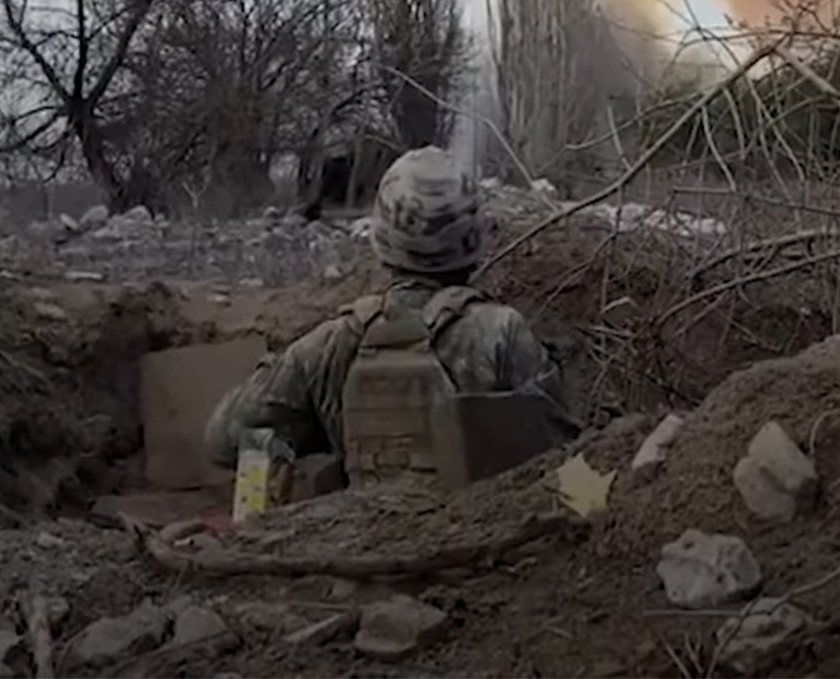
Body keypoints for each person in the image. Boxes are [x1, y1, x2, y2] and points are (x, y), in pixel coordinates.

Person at [204, 146, 578, 481]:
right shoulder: (502, 336)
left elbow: (223, 439)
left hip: (366, 549)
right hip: (480, 552)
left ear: (381, 242)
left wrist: (299, 443)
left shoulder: (331, 345)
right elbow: (563, 461)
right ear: (473, 241)